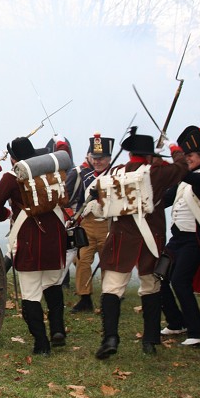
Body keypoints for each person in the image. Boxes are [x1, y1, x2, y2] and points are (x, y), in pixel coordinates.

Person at [95, 132, 187, 359]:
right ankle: (150, 340)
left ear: (130, 153)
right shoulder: (156, 172)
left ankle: (110, 338)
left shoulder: (115, 172)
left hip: (120, 239)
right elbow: (182, 167)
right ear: (149, 155)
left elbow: (100, 197)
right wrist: (174, 148)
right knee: (151, 288)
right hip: (150, 241)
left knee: (112, 289)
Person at [0, 136, 65, 355]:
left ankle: (42, 343)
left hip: (29, 237)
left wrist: (7, 214)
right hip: (55, 235)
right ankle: (58, 330)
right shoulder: (50, 171)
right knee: (53, 283)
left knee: (31, 293)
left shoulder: (12, 177)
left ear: (13, 159)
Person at [159, 125, 200, 346]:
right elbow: (165, 199)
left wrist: (175, 153)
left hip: (196, 240)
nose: (188, 159)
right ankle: (177, 322)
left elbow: (192, 178)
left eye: (190, 156)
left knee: (180, 281)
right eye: (185, 156)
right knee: (159, 276)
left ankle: (199, 333)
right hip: (178, 239)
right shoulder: (187, 178)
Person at [66, 133, 115, 312]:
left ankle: (109, 297)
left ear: (109, 158)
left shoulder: (115, 176)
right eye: (94, 158)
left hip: (107, 223)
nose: (97, 162)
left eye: (101, 159)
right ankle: (84, 297)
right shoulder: (86, 176)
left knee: (107, 262)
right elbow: (79, 199)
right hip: (87, 222)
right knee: (82, 260)